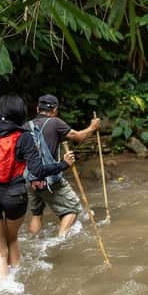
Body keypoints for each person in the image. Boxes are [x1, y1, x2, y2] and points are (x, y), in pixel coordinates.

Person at [0, 94, 75, 281]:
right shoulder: (24, 137)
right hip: (15, 196)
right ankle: (17, 283)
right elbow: (38, 170)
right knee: (12, 240)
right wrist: (63, 164)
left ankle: (3, 290)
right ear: (20, 113)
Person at [25, 94, 101, 238]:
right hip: (48, 177)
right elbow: (78, 137)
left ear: (37, 108)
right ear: (55, 110)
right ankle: (59, 243)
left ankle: (32, 242)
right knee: (72, 209)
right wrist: (92, 127)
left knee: (36, 213)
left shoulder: (26, 126)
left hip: (30, 178)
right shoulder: (55, 122)